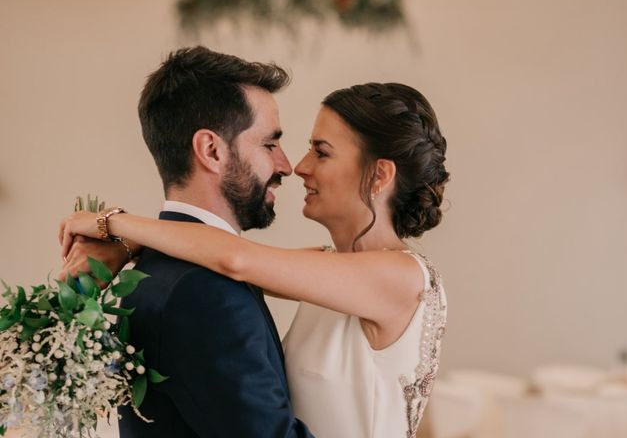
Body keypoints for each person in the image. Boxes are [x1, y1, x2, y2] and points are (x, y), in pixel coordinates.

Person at [61, 80, 449, 438]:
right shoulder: (326, 267)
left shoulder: (402, 277)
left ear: (379, 174)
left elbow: (235, 259)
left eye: (321, 151)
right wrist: (131, 247)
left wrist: (112, 223)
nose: (299, 167)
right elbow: (216, 257)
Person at [61, 47, 314, 437]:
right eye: (269, 145)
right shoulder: (205, 292)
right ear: (211, 150)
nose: (285, 165)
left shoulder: (157, 267)